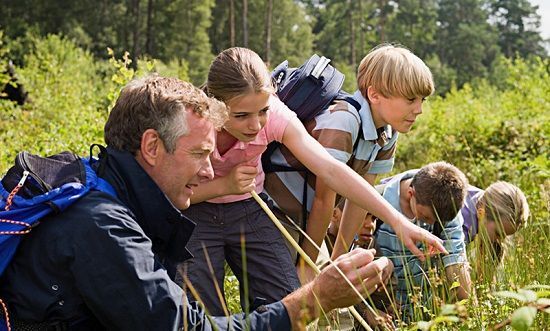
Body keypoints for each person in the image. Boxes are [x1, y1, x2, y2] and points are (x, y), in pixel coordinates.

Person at [0, 75, 393, 330]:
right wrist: (314, 299)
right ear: (152, 146)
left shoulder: (101, 182)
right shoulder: (101, 226)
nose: (210, 171)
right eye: (199, 154)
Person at [181, 47, 445, 317]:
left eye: (262, 111)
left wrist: (398, 222)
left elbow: (330, 169)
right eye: (241, 116)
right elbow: (170, 192)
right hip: (197, 211)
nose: (256, 125)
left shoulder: (275, 116)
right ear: (214, 106)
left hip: (250, 208)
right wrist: (223, 186)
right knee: (199, 309)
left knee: (288, 302)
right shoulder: (192, 124)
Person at [263, 44, 435, 282]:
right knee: (293, 292)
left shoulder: (386, 133)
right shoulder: (344, 120)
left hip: (306, 219)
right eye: (410, 99)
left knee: (331, 296)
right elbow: (325, 200)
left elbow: (359, 200)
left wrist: (338, 261)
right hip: (276, 213)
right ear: (374, 95)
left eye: (422, 100)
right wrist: (307, 264)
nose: (419, 110)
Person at [372, 162, 471, 318]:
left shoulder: (445, 205)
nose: (430, 225)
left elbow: (456, 262)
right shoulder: (375, 201)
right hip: (383, 312)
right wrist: (369, 311)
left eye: (436, 221)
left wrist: (470, 315)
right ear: (411, 194)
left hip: (424, 314)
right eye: (426, 217)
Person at [461, 181, 529, 280]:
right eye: (498, 233)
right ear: (481, 213)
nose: (500, 240)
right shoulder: (462, 224)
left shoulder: (482, 200)